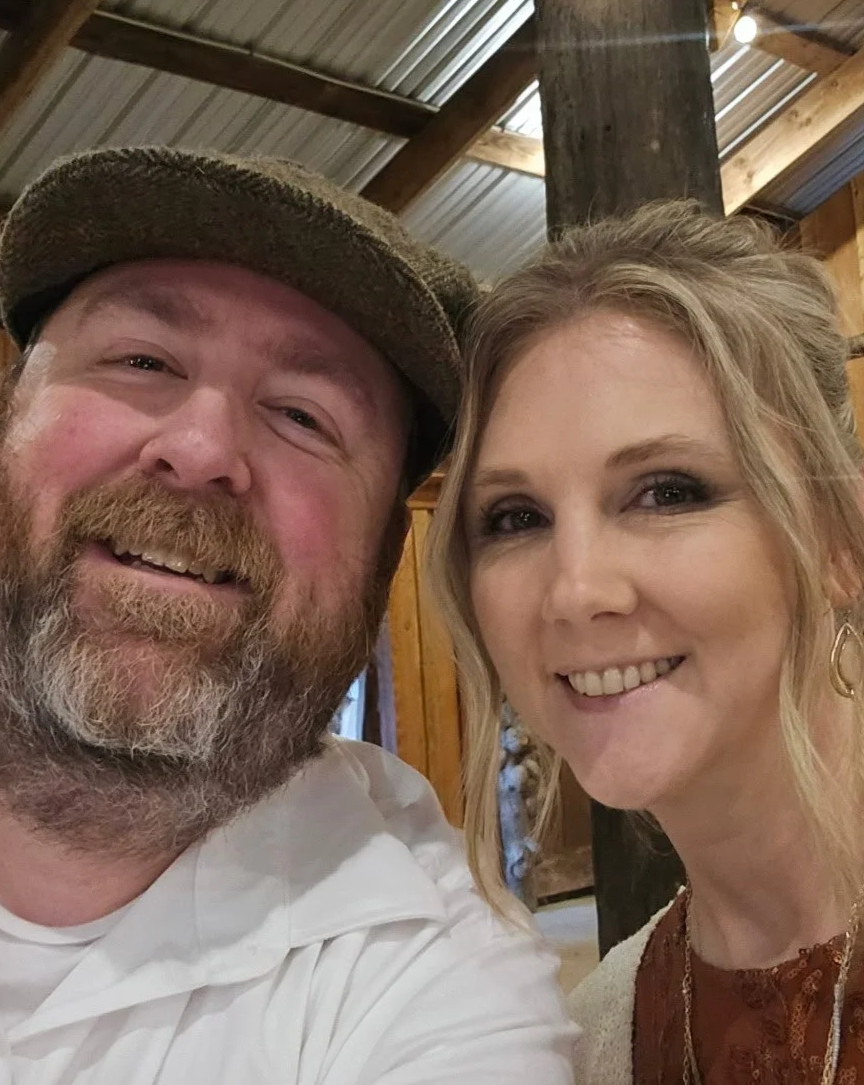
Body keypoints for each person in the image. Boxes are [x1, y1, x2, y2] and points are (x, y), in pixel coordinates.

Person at [0, 146, 576, 1085]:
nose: (199, 449)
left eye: (305, 416)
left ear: (383, 559)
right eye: (142, 360)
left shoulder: (437, 995)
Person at [426, 198, 864, 1084]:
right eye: (515, 517)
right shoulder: (596, 1038)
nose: (576, 591)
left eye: (667, 492)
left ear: (835, 544)